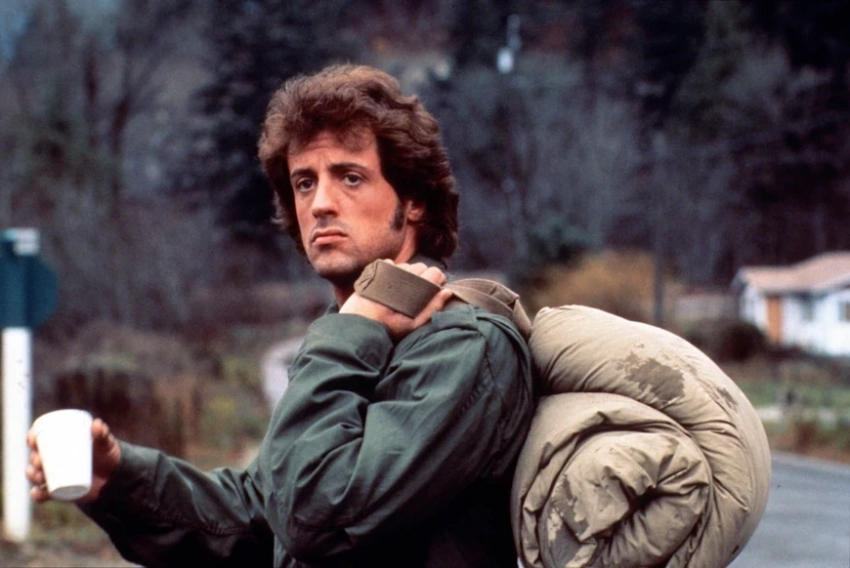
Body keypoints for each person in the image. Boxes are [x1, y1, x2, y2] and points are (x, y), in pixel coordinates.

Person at [26, 64, 534, 567]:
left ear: (415, 201)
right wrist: (119, 483)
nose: (321, 204)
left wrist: (349, 333)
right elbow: (259, 516)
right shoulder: (365, 335)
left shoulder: (464, 347)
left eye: (350, 177)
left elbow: (317, 517)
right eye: (304, 183)